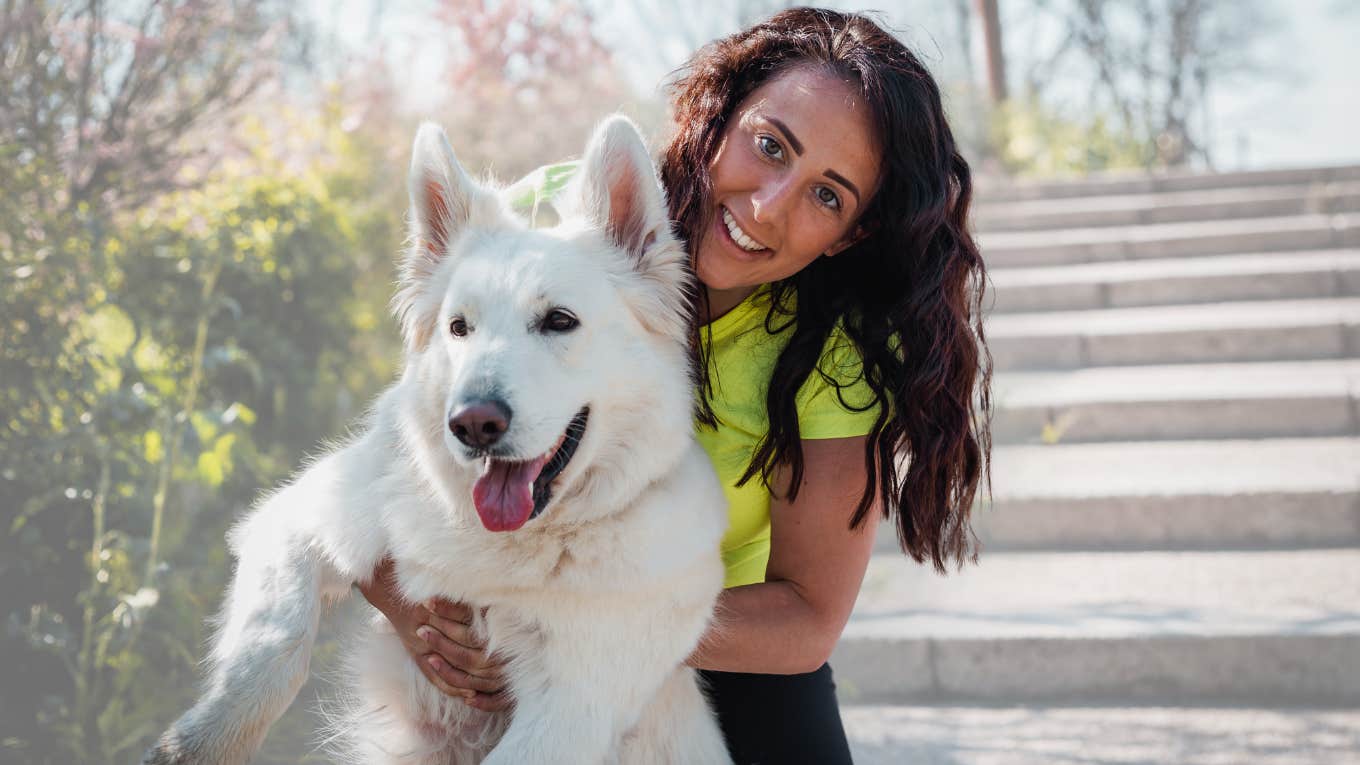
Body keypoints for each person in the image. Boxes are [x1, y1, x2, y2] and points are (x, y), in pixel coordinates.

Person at [359, 7, 992, 763]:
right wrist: (415, 609)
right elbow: (376, 476)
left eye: (828, 195)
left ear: (852, 233)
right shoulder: (546, 220)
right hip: (478, 626)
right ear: (719, 115)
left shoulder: (832, 354)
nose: (768, 205)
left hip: (715, 648)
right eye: (769, 145)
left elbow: (806, 617)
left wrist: (588, 630)